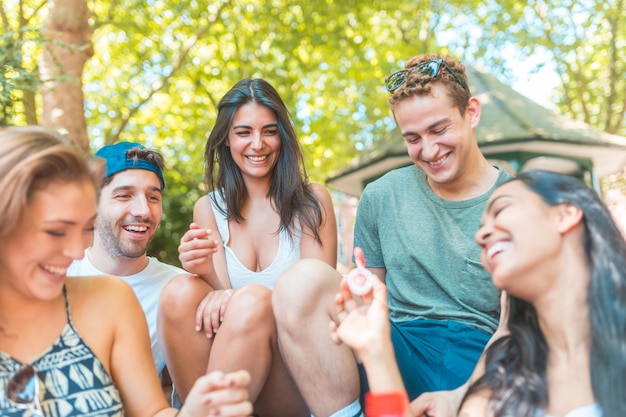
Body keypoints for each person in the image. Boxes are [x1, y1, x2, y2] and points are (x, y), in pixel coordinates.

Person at [272, 53, 512, 417]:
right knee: (301, 281)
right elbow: (370, 300)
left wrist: (463, 395)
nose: (429, 151)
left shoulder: (518, 202)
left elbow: (514, 329)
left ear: (472, 113)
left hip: (480, 357)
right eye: (412, 138)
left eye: (439, 129)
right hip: (392, 344)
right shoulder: (382, 195)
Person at [0, 126, 253, 417]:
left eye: (80, 229)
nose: (73, 250)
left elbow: (151, 411)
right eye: (56, 231)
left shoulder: (115, 298)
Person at [332, 170, 626, 417]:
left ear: (564, 214)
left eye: (501, 210)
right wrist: (376, 352)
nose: (481, 235)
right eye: (481, 225)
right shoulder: (504, 380)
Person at [158, 78, 337, 417]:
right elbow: (225, 306)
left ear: (282, 136)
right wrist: (205, 272)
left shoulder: (312, 202)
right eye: (243, 132)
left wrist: (247, 301)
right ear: (226, 138)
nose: (258, 144)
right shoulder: (208, 208)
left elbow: (316, 308)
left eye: (269, 131)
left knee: (253, 299)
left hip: (296, 373)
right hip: (234, 372)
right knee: (180, 290)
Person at [67, 141, 187, 387]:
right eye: (124, 195)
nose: (143, 210)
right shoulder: (55, 275)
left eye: (153, 197)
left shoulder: (180, 289)